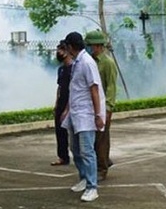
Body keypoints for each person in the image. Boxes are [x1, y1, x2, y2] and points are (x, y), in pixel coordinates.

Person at [60, 32, 106, 202]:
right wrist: (67, 110)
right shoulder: (77, 62)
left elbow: (94, 89)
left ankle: (92, 187)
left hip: (86, 115)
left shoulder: (87, 63)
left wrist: (97, 114)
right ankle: (84, 178)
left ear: (71, 47)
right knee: (76, 149)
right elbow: (75, 90)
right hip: (75, 113)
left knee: (87, 151)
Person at [84, 30, 117, 181]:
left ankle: (102, 169)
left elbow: (111, 86)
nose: (89, 48)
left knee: (101, 139)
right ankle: (104, 160)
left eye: (91, 45)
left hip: (104, 106)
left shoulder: (107, 63)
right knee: (95, 138)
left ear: (98, 46)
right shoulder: (90, 61)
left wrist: (108, 108)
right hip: (92, 106)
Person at [50, 41, 72, 166]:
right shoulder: (61, 69)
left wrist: (67, 109)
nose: (59, 52)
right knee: (60, 130)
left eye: (61, 50)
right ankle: (63, 156)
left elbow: (74, 89)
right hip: (62, 102)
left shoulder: (74, 68)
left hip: (73, 102)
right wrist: (57, 103)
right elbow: (60, 87)